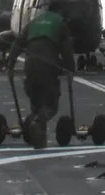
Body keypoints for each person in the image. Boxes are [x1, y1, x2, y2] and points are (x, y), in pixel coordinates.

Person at [7, 8, 71, 149]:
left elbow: (17, 44)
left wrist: (10, 65)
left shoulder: (33, 23)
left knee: (36, 103)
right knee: (51, 105)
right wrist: (70, 69)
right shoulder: (60, 23)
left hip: (30, 65)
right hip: (48, 65)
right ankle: (39, 122)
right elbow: (66, 49)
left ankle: (37, 134)